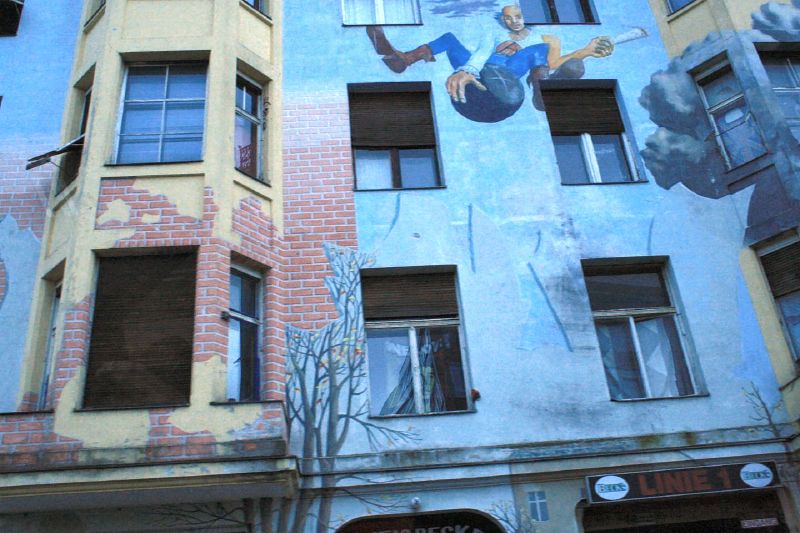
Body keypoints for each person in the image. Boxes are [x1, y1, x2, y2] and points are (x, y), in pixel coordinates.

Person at [367, 5, 614, 120]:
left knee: (539, 50)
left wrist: (584, 52)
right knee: (449, 39)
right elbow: (482, 52)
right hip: (480, 68)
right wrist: (467, 69)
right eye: (508, 18)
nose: (513, 22)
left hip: (508, 73)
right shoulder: (495, 33)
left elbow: (555, 62)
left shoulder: (545, 38)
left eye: (518, 16)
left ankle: (541, 92)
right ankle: (405, 59)